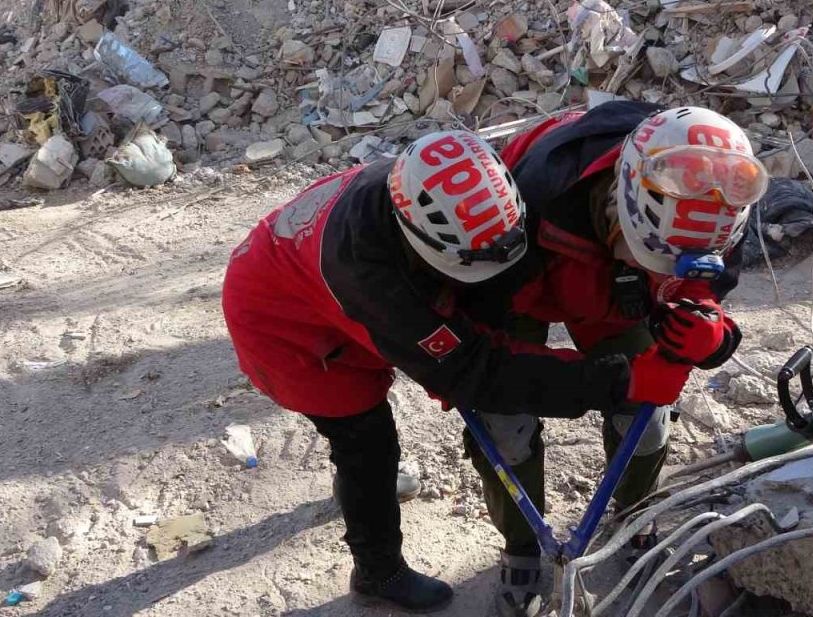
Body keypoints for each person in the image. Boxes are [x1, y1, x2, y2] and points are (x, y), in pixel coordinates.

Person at [221, 130, 712, 613]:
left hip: (317, 267)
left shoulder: (460, 186)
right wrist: (616, 382)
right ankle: (377, 570)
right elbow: (471, 373)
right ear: (423, 249)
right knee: (365, 444)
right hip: (287, 324)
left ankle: (628, 517)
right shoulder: (373, 280)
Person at [466, 103, 767, 616]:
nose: (657, 271)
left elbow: (702, 288)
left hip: (611, 291)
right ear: (620, 205)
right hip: (523, 277)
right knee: (502, 422)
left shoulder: (717, 201)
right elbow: (486, 347)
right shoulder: (531, 197)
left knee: (646, 420)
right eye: (646, 251)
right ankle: (521, 545)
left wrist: (710, 331)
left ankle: (634, 516)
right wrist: (581, 382)